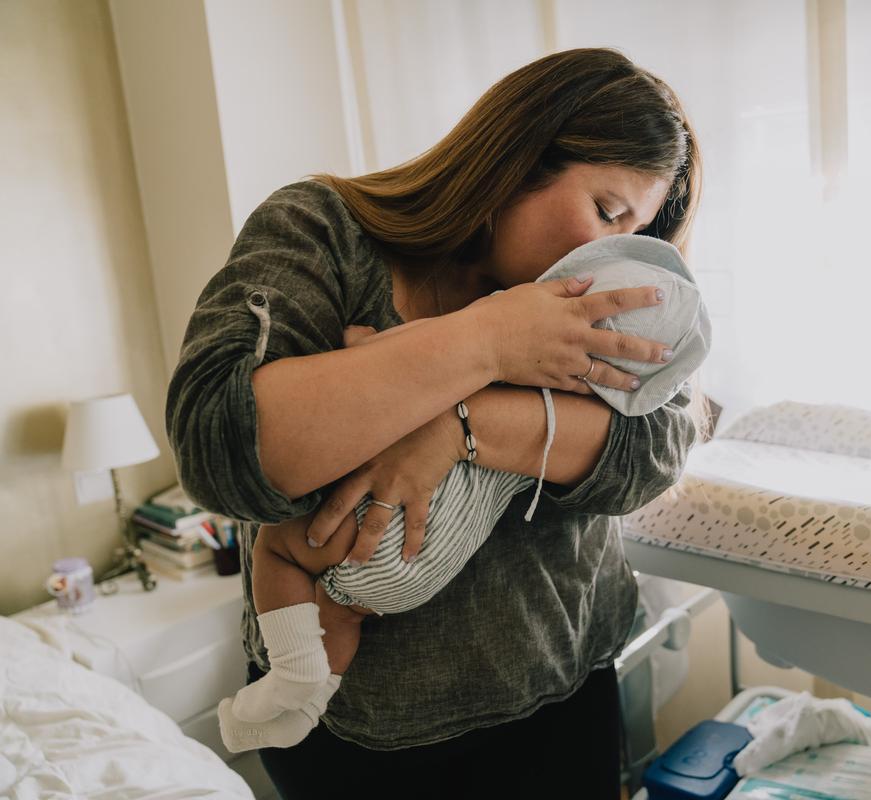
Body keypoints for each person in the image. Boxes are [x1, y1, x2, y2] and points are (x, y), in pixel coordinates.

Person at [165, 47, 705, 798]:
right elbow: (219, 447)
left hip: (559, 695)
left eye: (635, 230)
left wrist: (459, 421)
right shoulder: (321, 231)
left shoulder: (611, 293)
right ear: (515, 159)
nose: (609, 249)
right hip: (360, 738)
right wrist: (486, 342)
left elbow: (657, 447)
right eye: (606, 211)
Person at [216, 233, 712, 752]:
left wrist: (364, 344)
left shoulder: (501, 340)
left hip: (379, 529)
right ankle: (312, 706)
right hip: (427, 562)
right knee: (343, 608)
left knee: (278, 549)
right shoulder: (591, 402)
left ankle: (295, 678)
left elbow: (401, 354)